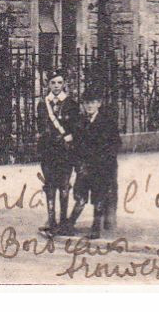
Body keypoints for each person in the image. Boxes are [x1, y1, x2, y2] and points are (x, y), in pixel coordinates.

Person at [68, 89, 121, 237]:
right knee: (80, 196)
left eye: (93, 102)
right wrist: (79, 165)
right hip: (85, 167)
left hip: (101, 167)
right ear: (83, 105)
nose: (89, 106)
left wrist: (104, 163)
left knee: (99, 196)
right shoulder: (80, 122)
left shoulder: (107, 122)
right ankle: (69, 224)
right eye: (86, 103)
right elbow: (76, 146)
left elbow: (115, 144)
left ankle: (96, 228)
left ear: (99, 104)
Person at [36, 73, 78, 235]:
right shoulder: (42, 104)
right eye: (53, 82)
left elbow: (74, 128)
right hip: (47, 151)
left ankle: (63, 220)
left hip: (64, 152)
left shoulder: (71, 104)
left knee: (64, 185)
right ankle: (51, 219)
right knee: (49, 185)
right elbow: (40, 126)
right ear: (48, 84)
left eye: (59, 82)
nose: (56, 86)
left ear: (64, 84)